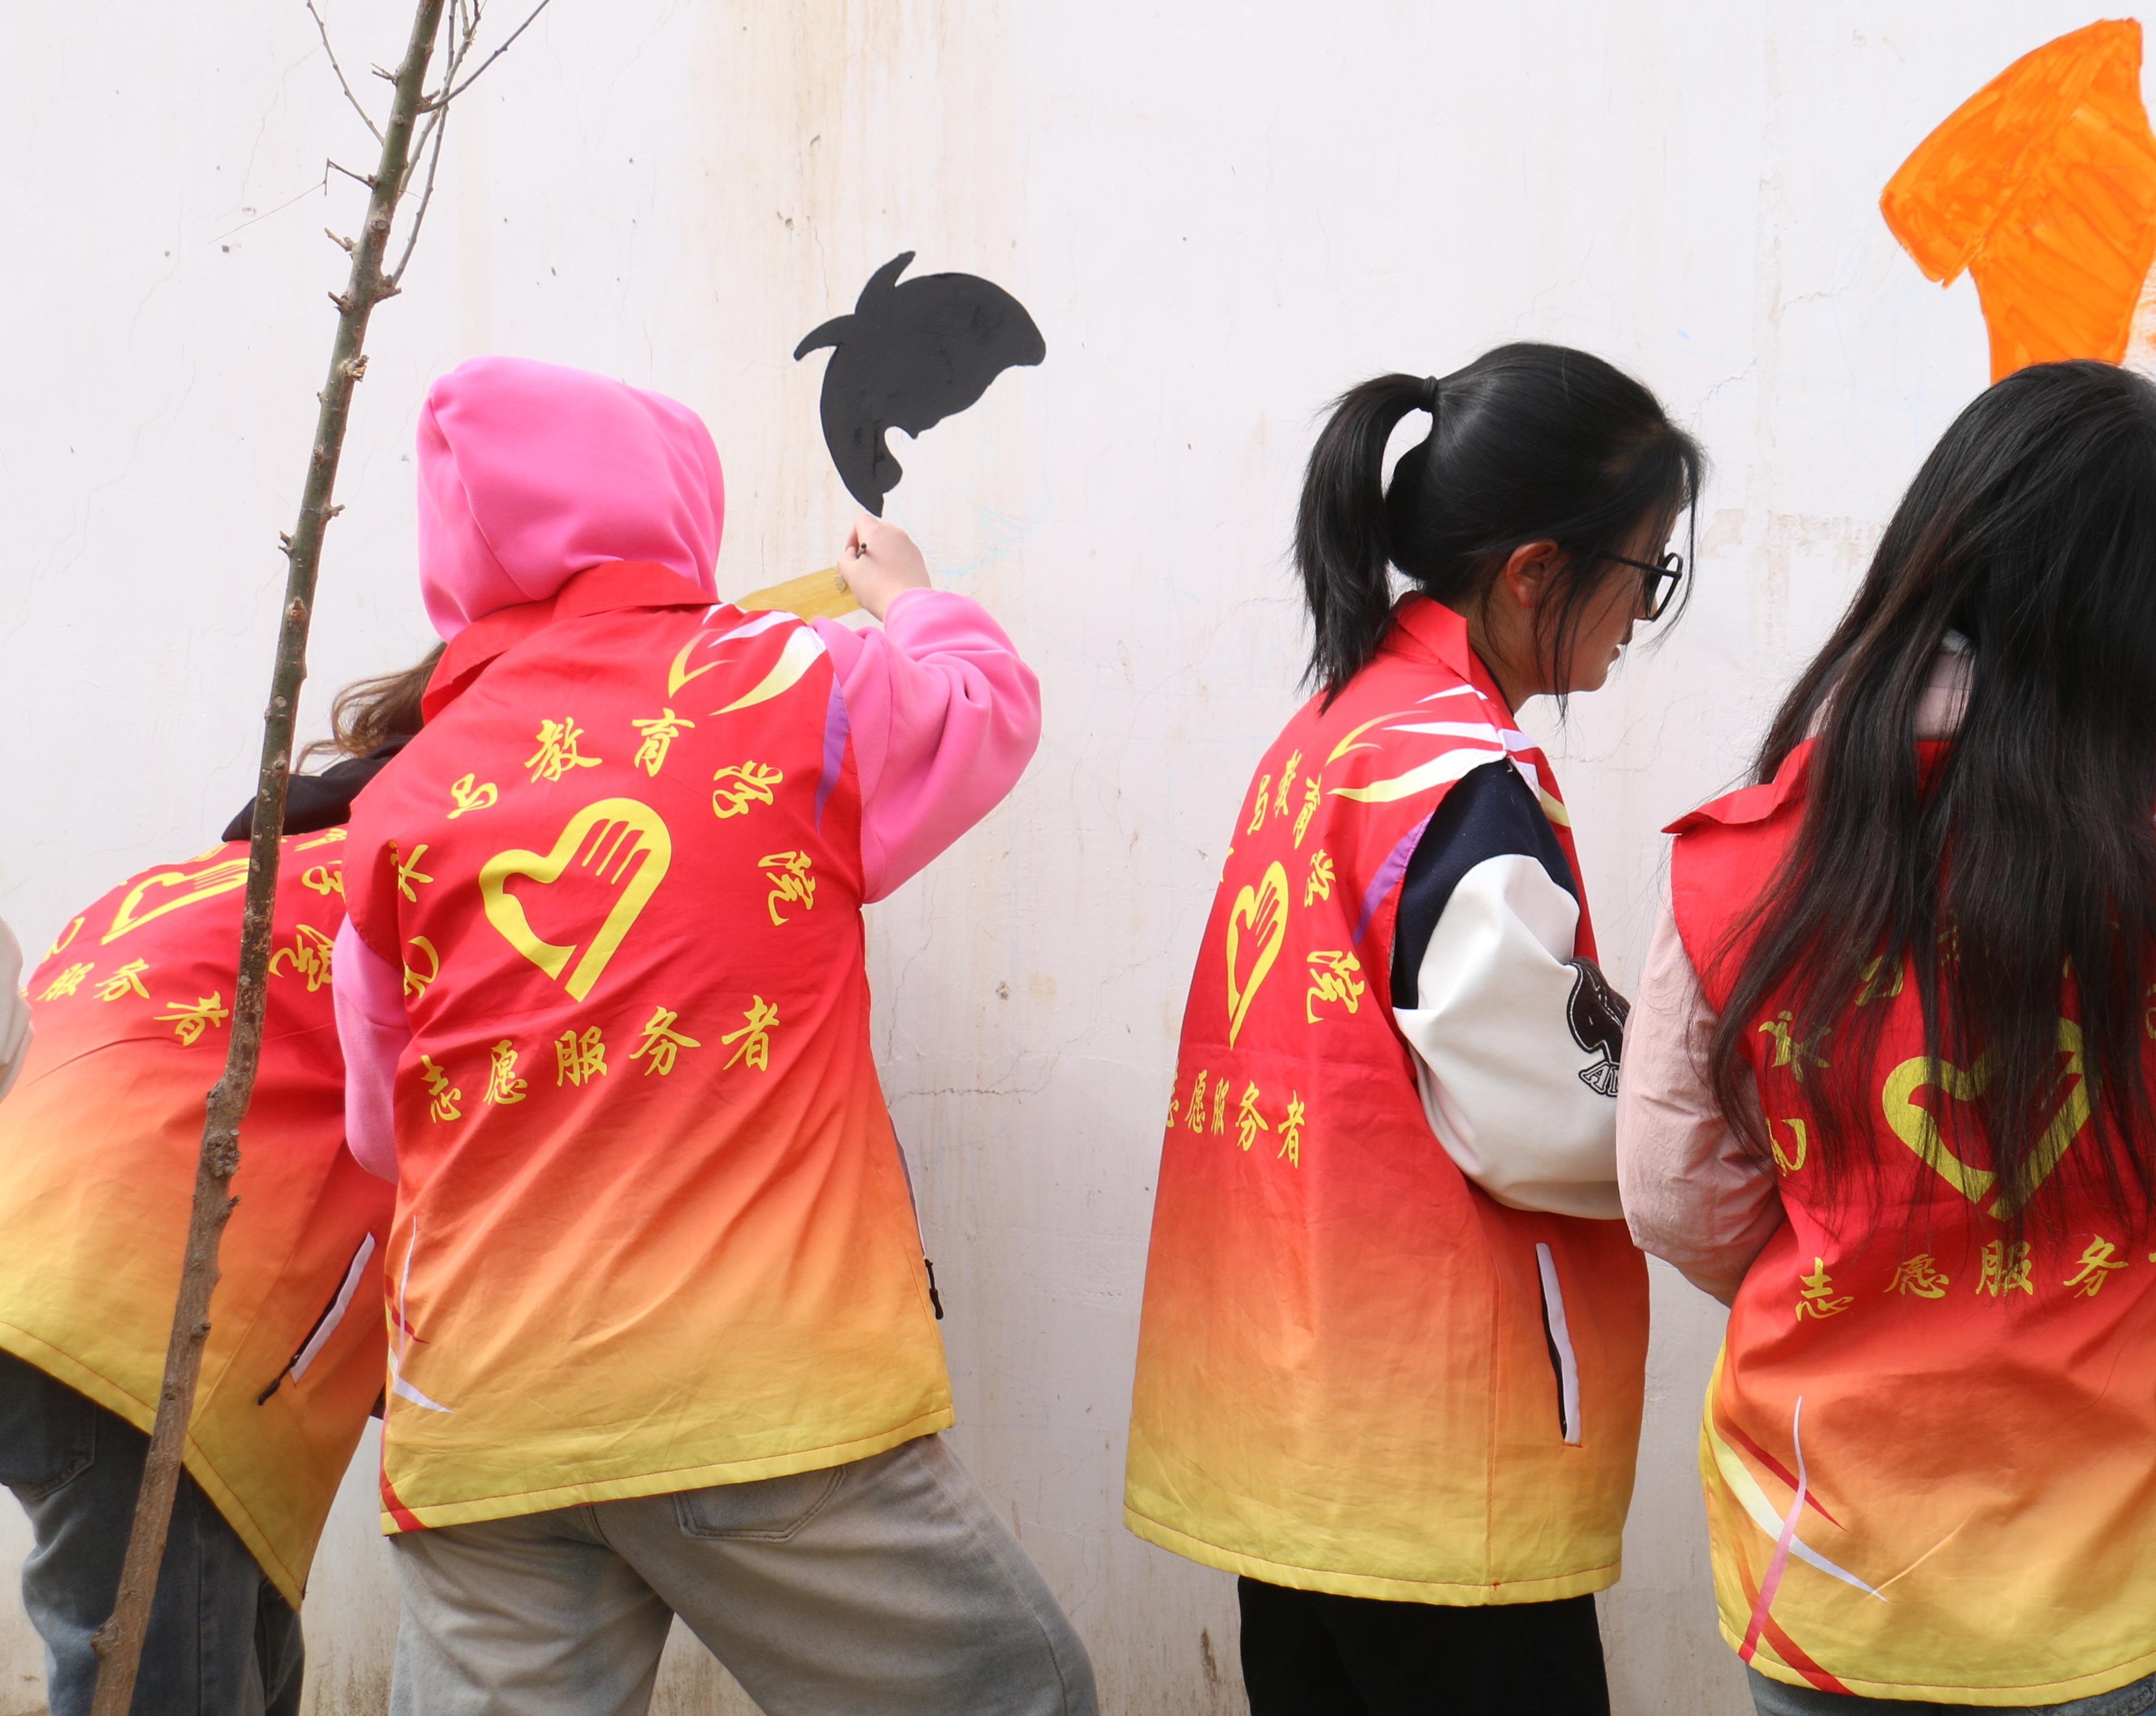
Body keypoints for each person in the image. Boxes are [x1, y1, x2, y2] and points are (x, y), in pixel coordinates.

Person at [329, 356, 1092, 1715]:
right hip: (751, 1390)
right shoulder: (787, 680)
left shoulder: (400, 794)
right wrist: (912, 600)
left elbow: (384, 1130)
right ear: (675, 500)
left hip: (477, 1415)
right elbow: (984, 714)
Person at [1620, 362, 2156, 1713]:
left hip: (1829, 1562)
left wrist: (1863, 1253)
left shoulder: (1747, 854)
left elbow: (1676, 1196)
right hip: (2115, 1572)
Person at [1125, 342, 1704, 1714]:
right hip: (1430, 1464)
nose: (1644, 614)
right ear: (1535, 572)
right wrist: (1733, 1108)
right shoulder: (1460, 770)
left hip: (1290, 1422)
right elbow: (1540, 1111)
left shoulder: (1332, 732)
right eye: (1647, 571)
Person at [0, 655, 432, 1714]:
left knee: (226, 1666)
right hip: (144, 1331)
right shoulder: (422, 874)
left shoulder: (200, 879)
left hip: (48, 1295)